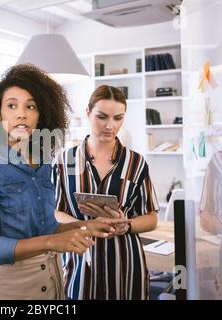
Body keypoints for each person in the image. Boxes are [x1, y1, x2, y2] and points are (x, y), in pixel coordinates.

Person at [0, 65, 129, 300]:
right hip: (10, 285)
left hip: (51, 275)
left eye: (31, 106)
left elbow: (46, 228)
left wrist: (83, 226)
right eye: (12, 105)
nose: (22, 114)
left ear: (41, 115)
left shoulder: (43, 162)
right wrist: (51, 241)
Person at [54, 85, 159, 300]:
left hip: (126, 264)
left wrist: (126, 225)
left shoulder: (136, 163)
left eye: (118, 118)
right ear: (88, 113)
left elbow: (151, 218)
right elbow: (56, 211)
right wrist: (84, 225)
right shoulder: (65, 161)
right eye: (102, 117)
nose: (110, 126)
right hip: (80, 261)